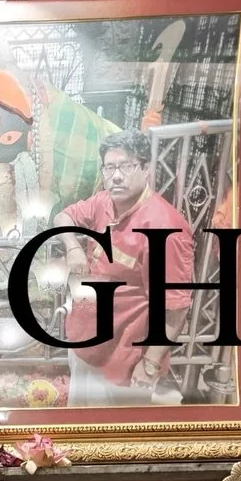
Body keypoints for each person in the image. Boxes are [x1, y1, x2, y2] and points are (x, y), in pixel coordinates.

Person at [53, 129, 194, 407]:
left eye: (126, 166)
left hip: (123, 361)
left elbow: (175, 310)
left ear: (146, 168)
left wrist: (150, 364)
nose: (116, 176)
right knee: (79, 421)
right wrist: (72, 246)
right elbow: (63, 216)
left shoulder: (166, 229)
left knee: (113, 429)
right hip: (85, 341)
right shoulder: (104, 201)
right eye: (109, 168)